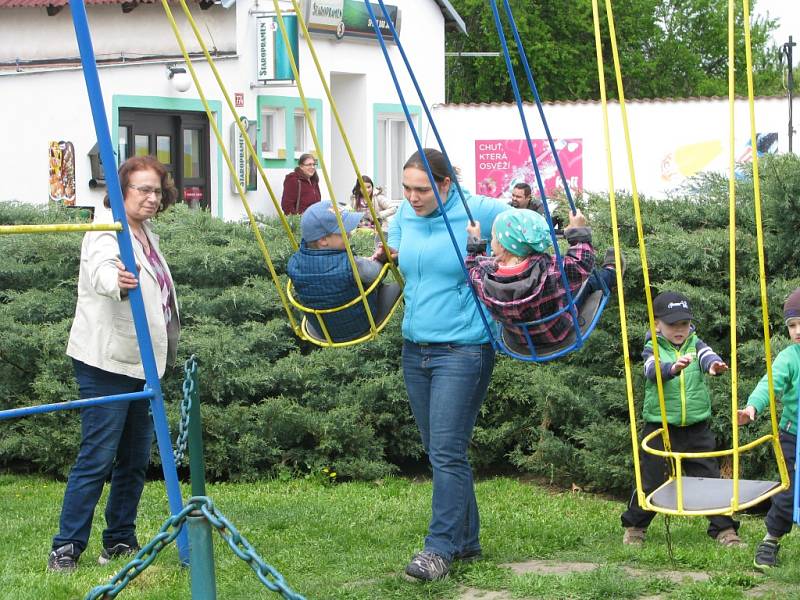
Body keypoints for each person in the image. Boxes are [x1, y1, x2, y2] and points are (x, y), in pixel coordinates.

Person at [379, 148, 508, 582]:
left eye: (422, 189)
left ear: (446, 185)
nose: (412, 197)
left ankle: (438, 549)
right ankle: (467, 541)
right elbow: (395, 254)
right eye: (406, 189)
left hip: (464, 349)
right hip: (415, 349)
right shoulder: (406, 216)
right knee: (442, 452)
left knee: (447, 452)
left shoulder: (481, 211)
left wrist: (500, 256)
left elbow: (536, 232)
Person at [48, 156, 180, 572]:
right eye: (143, 189)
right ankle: (66, 547)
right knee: (98, 456)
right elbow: (102, 270)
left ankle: (120, 539)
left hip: (143, 364)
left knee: (135, 458)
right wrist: (117, 283)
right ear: (122, 192)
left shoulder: (146, 233)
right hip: (106, 362)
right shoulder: (106, 230)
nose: (152, 197)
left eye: (157, 190)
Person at [621, 291, 742, 547]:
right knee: (653, 480)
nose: (679, 330)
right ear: (657, 325)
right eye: (672, 325)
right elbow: (651, 369)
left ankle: (725, 530)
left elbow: (707, 356)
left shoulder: (695, 343)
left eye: (684, 324)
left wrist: (714, 366)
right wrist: (672, 369)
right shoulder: (651, 347)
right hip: (661, 427)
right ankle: (635, 526)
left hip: (697, 428)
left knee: (709, 479)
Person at [466, 208, 619, 352]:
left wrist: (475, 240)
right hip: (557, 331)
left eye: (493, 237)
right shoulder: (552, 271)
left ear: (501, 245)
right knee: (587, 282)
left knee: (568, 282)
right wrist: (577, 230)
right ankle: (611, 272)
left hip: (520, 338)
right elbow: (582, 262)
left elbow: (471, 269)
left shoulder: (484, 278)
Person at [738, 288, 800, 570]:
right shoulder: (790, 358)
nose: (797, 330)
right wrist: (753, 406)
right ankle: (770, 540)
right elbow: (769, 383)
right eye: (791, 325)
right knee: (789, 492)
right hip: (793, 436)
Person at [287, 201, 385, 342]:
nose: (349, 234)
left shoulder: (294, 263)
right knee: (388, 285)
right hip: (360, 324)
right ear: (323, 240)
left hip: (321, 329)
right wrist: (380, 260)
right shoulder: (351, 264)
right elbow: (376, 274)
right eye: (342, 231)